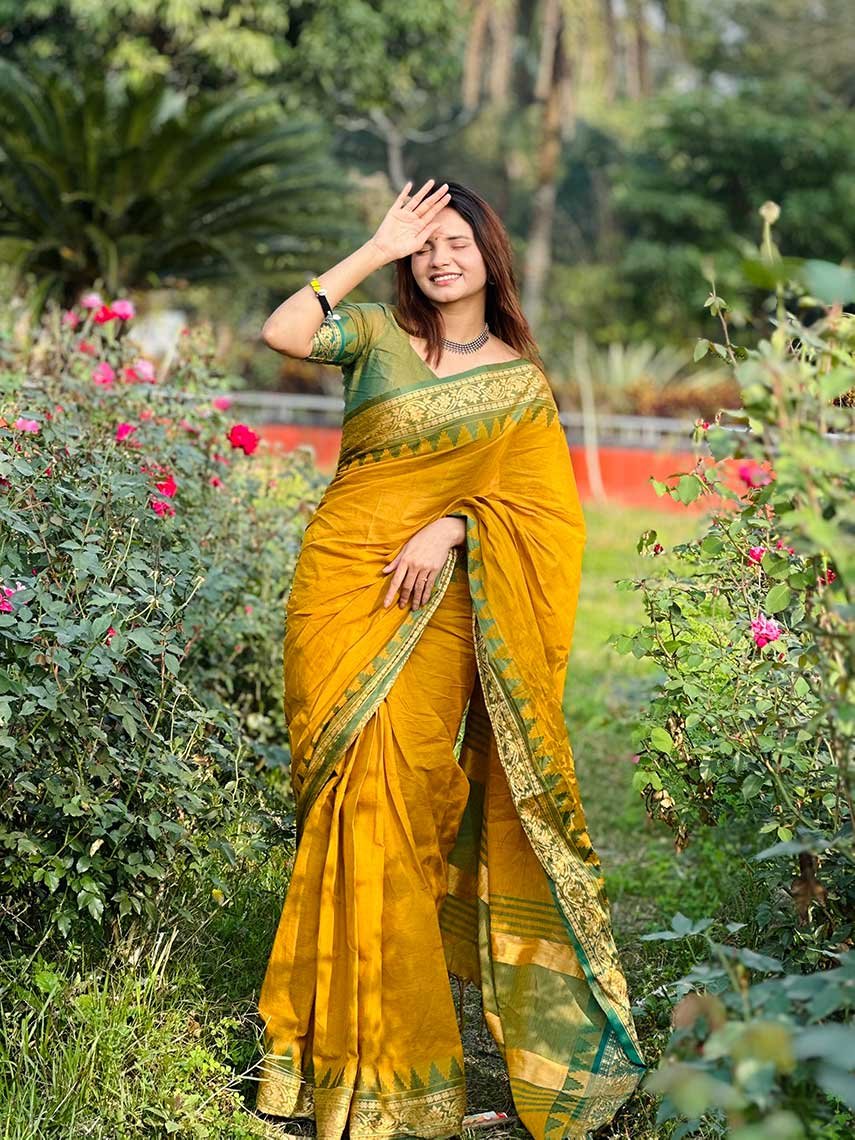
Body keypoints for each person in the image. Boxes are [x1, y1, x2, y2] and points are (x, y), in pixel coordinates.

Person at [255, 178, 647, 1140]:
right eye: (423, 244)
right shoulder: (373, 337)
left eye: (454, 242)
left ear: (488, 255)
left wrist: (458, 524)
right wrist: (373, 246)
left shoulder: (519, 384)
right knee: (344, 809)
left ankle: (396, 1068)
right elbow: (283, 332)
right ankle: (318, 1059)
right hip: (338, 595)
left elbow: (544, 521)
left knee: (402, 808)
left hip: (434, 613)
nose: (438, 258)